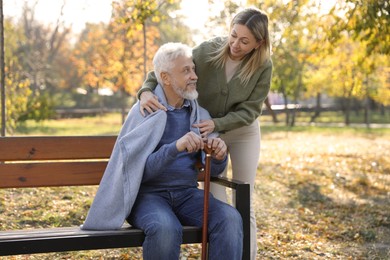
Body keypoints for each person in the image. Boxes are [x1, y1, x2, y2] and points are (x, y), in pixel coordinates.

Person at [82, 42, 243, 260]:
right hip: (148, 196)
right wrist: (175, 148)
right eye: (186, 70)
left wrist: (219, 155)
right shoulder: (144, 112)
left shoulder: (199, 114)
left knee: (230, 218)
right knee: (165, 229)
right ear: (165, 78)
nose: (194, 76)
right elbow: (136, 172)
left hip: (186, 194)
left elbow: (212, 169)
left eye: (193, 69)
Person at [137, 7, 272, 259]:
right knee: (215, 199)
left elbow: (251, 110)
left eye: (244, 41)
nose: (235, 44)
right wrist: (145, 90)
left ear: (259, 43)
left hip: (241, 129)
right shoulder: (209, 50)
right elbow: (167, 66)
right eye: (233, 35)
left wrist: (219, 124)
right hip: (206, 127)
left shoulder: (263, 65)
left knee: (245, 201)